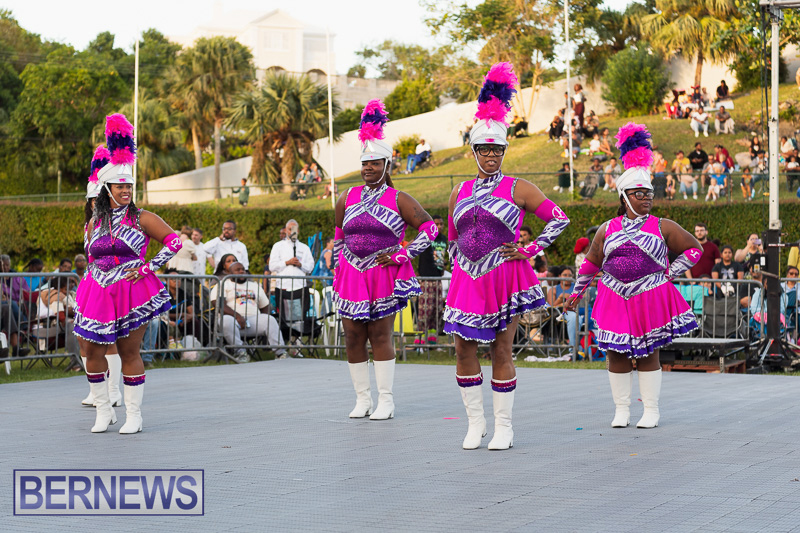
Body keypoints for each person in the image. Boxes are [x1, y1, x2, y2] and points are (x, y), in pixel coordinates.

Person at [445, 63, 570, 450]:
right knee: (463, 348)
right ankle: (475, 423)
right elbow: (451, 239)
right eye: (484, 149)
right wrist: (459, 267)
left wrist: (530, 249)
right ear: (474, 151)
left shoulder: (519, 188)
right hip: (468, 280)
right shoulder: (459, 191)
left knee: (501, 346)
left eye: (497, 149)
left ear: (504, 150)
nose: (491, 155)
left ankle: (504, 426)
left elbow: (559, 218)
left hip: (505, 278)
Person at [567, 122, 701, 430]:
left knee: (648, 353)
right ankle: (622, 410)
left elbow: (693, 250)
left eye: (649, 193)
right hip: (614, 296)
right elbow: (590, 264)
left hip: (649, 296)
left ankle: (651, 410)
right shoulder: (606, 229)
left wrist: (670, 272)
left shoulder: (662, 225)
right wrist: (575, 294)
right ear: (624, 197)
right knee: (615, 354)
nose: (646, 198)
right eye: (639, 193)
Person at [75, 113, 182, 435]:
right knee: (90, 350)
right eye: (120, 185)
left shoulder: (143, 217)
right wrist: (91, 279)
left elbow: (175, 241)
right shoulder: (94, 222)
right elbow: (91, 255)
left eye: (130, 185)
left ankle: (134, 414)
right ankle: (103, 409)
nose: (126, 190)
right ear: (107, 188)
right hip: (96, 290)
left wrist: (149, 266)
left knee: (128, 351)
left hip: (131, 291)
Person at [333, 99, 434, 421]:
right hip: (351, 273)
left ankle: (386, 400)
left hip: (382, 274)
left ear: (387, 166)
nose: (369, 169)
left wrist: (405, 253)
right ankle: (362, 399)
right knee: (351, 335)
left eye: (376, 163)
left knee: (379, 335)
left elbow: (431, 228)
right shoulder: (346, 197)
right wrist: (337, 261)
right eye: (365, 163)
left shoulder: (399, 198)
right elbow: (338, 233)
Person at [78, 147, 121, 408]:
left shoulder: (116, 221)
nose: (96, 204)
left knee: (110, 339)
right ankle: (96, 390)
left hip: (111, 284)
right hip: (90, 284)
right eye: (92, 201)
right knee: (85, 338)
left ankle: (113, 390)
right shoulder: (89, 224)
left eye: (99, 200)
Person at [209, 261, 287, 362]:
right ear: (230, 273)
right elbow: (219, 304)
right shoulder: (224, 284)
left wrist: (261, 319)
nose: (242, 271)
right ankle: (240, 352)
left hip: (252, 321)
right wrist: (237, 316)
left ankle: (280, 353)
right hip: (232, 320)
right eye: (238, 270)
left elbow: (265, 306)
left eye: (243, 269)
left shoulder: (254, 285)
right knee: (226, 320)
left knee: (269, 319)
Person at [416, 215, 447, 343]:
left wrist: (443, 263)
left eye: (441, 224)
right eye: (437, 224)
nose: (439, 226)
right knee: (425, 309)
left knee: (437, 308)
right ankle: (421, 337)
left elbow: (439, 256)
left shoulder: (444, 239)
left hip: (437, 277)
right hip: (426, 278)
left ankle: (433, 337)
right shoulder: (426, 236)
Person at [269, 219, 315, 297]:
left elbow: (310, 267)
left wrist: (300, 265)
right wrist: (286, 263)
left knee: (300, 309)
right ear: (286, 231)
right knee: (283, 309)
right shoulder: (278, 246)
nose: (292, 232)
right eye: (290, 229)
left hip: (300, 287)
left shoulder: (304, 248)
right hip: (282, 287)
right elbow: (272, 266)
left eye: (294, 229)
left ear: (298, 231)